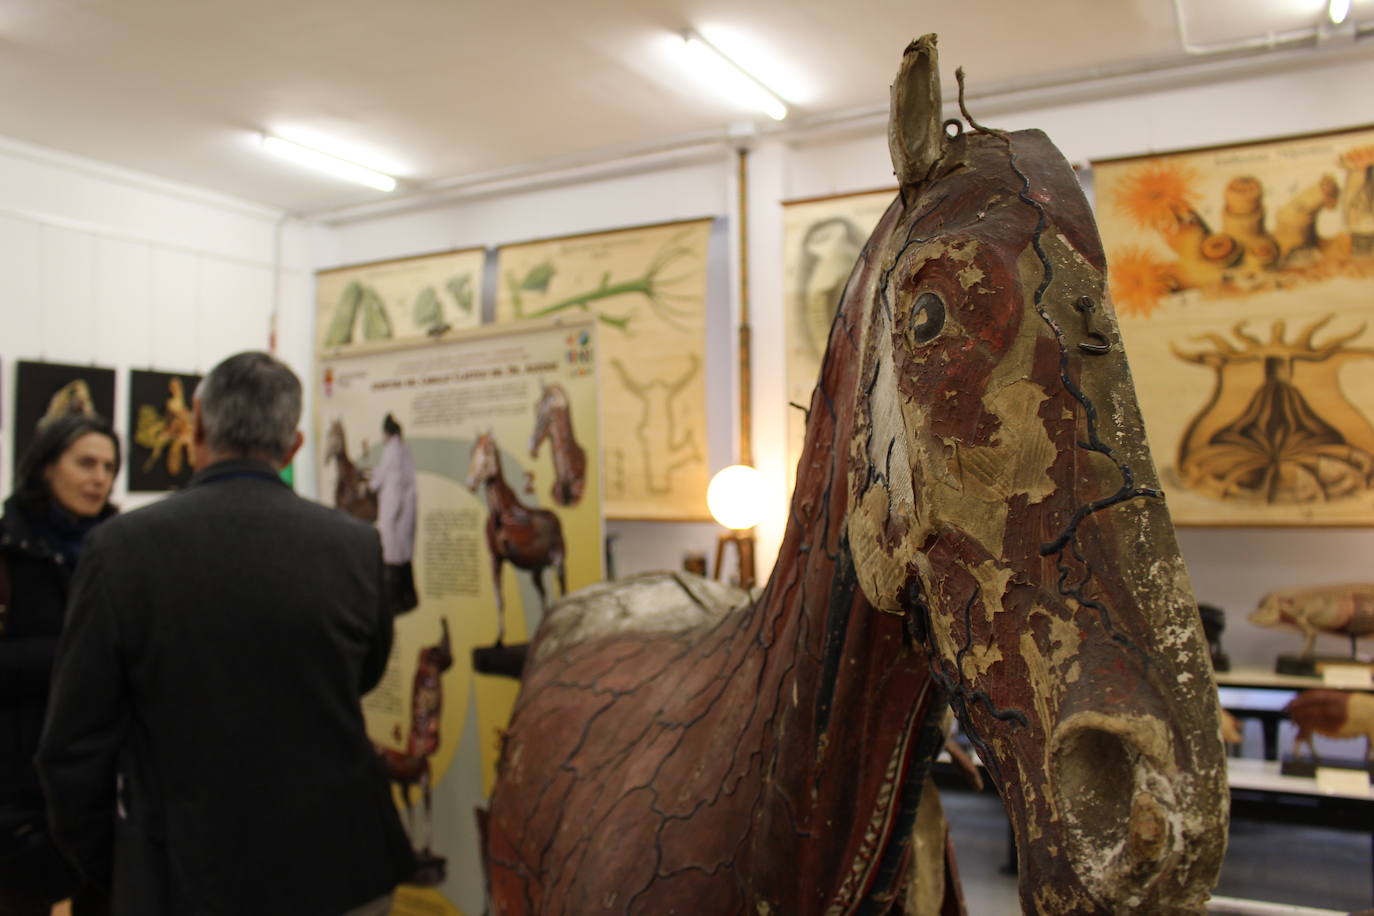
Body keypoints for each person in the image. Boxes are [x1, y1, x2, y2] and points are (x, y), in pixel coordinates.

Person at [36, 351, 415, 915]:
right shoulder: (354, 547)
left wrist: (119, 866)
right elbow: (364, 675)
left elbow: (72, 749)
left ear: (196, 425)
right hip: (339, 867)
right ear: (294, 446)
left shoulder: (120, 550)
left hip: (182, 874)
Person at [0, 414, 119, 915]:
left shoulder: (121, 548)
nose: (100, 478)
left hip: (103, 777)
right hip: (18, 776)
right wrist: (78, 656)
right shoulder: (8, 549)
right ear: (47, 467)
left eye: (110, 467)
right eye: (86, 463)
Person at [370, 413, 418, 614]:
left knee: (390, 542)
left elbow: (382, 474)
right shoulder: (404, 448)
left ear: (387, 432)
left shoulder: (391, 449)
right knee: (404, 546)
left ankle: (395, 598)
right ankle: (408, 596)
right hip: (407, 499)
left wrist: (371, 486)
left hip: (393, 499)